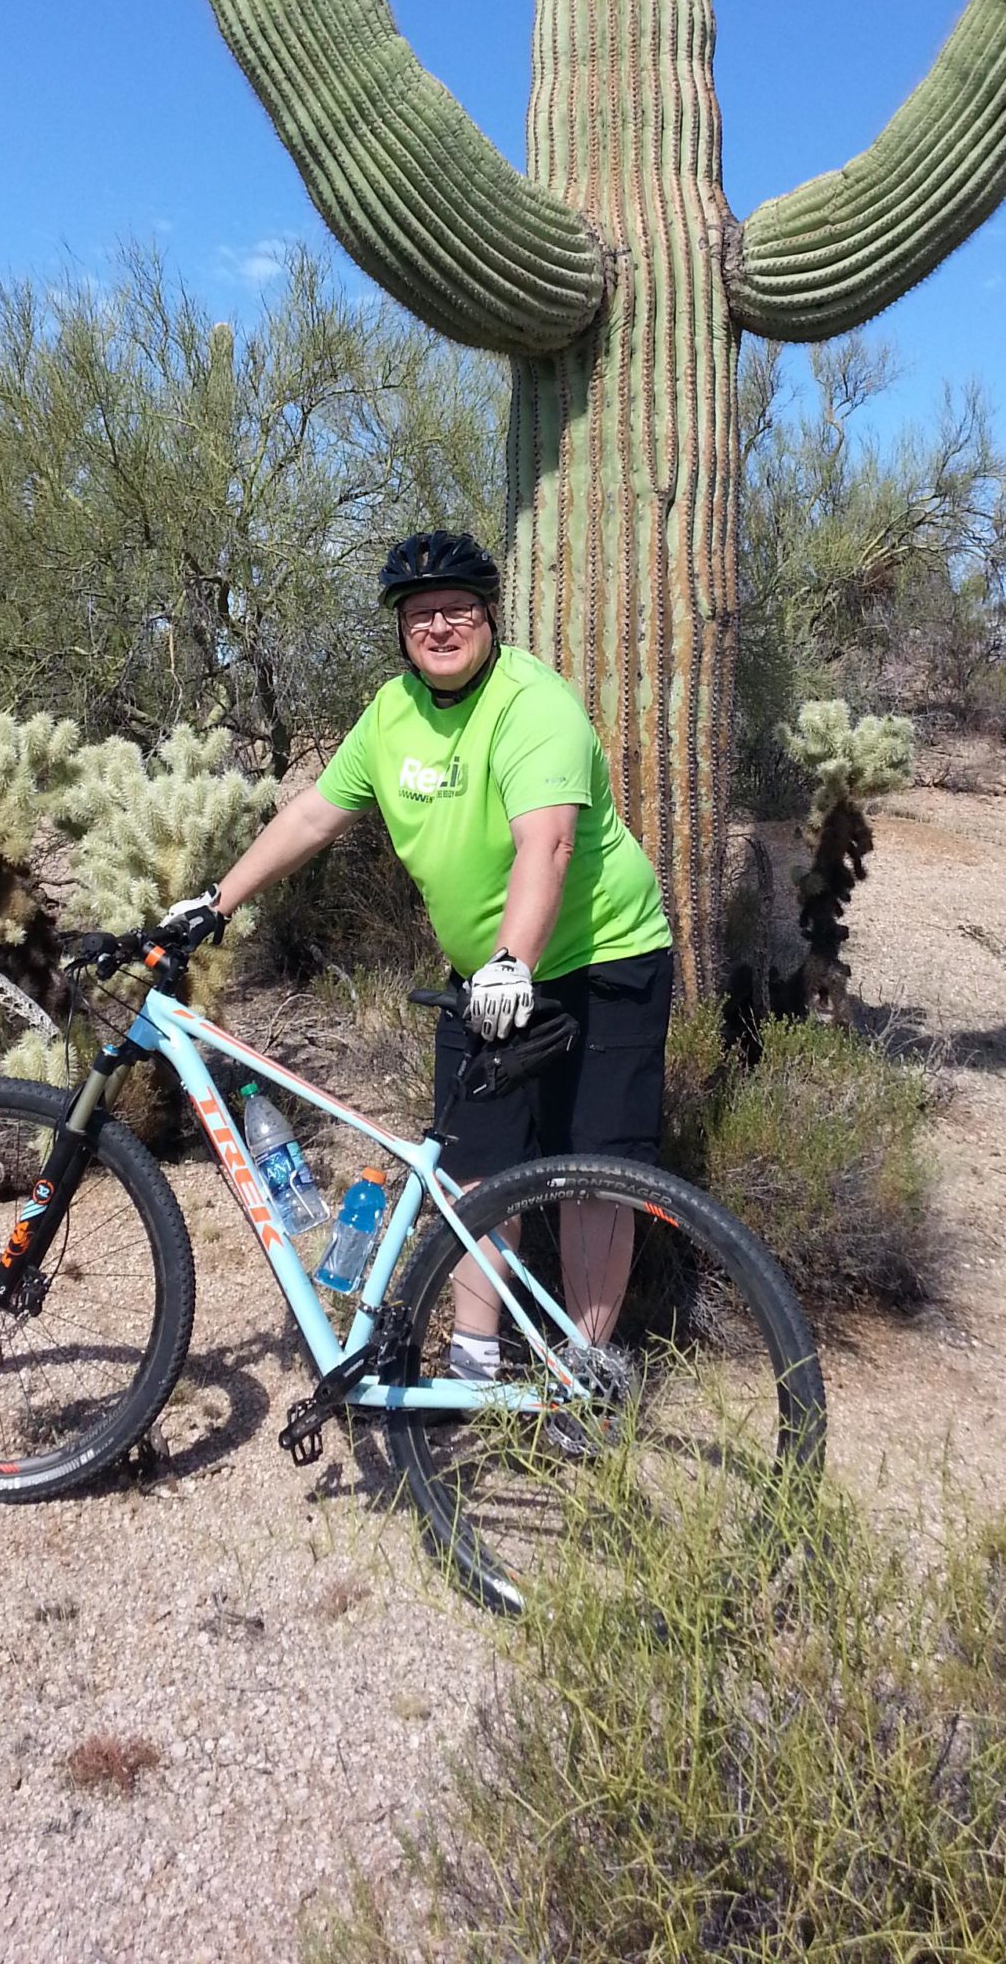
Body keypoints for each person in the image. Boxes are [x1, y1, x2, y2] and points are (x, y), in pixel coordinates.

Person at [162, 529, 674, 1379]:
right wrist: (218, 902)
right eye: (420, 613)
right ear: (400, 629)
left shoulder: (530, 703)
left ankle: (588, 1370)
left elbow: (544, 847)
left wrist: (511, 962)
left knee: (593, 1176)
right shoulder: (391, 713)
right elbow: (312, 818)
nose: (439, 626)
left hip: (602, 959)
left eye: (458, 609)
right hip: (491, 971)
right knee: (478, 1165)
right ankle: (477, 1357)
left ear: (489, 617)